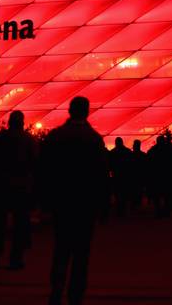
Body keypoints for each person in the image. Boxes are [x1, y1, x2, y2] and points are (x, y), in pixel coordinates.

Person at [40, 97, 109, 305]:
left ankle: (56, 288)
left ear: (69, 111)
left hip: (62, 203)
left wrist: (45, 200)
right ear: (87, 112)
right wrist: (103, 205)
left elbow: (44, 170)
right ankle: (75, 295)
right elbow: (101, 176)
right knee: (81, 253)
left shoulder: (56, 136)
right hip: (85, 205)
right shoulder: (94, 139)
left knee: (61, 248)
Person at [0, 110, 37, 271]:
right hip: (21, 187)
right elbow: (35, 162)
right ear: (22, 122)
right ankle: (16, 259)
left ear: (9, 122)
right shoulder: (28, 140)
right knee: (20, 223)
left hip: (1, 186)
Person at [109, 137, 132, 217]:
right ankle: (123, 209)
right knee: (124, 193)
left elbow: (110, 165)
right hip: (125, 176)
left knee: (118, 194)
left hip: (117, 176)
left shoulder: (112, 152)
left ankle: (119, 210)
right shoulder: (128, 152)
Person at [131, 140, 147, 209]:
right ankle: (138, 202)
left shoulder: (131, 155)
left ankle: (135, 203)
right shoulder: (143, 155)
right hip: (140, 176)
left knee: (134, 189)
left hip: (133, 176)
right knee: (139, 190)